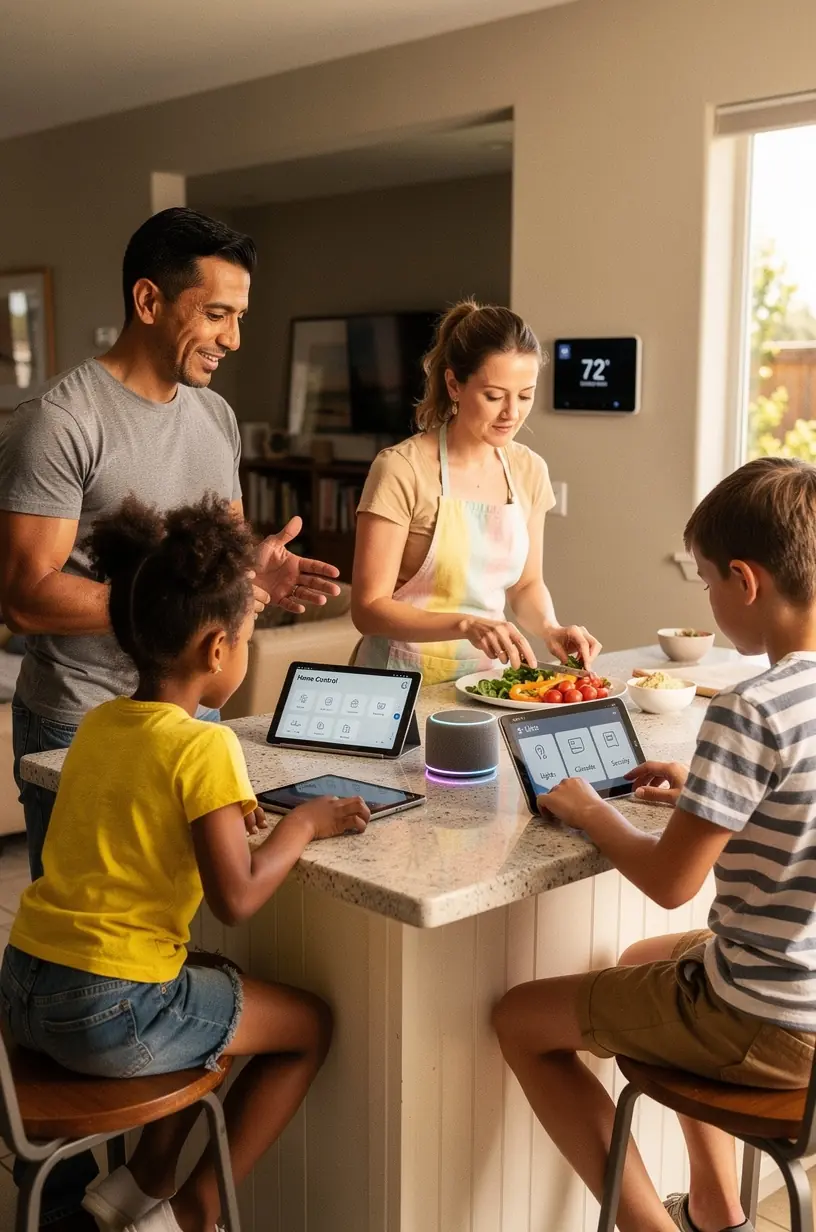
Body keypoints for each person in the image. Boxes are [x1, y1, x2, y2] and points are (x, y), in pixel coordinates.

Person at [0, 208, 339, 1231]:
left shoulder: (215, 419)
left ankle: (128, 1194)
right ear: (150, 300)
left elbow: (218, 561)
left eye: (241, 314)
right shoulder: (64, 419)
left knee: (156, 960)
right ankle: (70, 1196)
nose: (234, 336)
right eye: (218, 312)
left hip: (178, 725)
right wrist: (174, 602)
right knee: (104, 970)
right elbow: (25, 593)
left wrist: (254, 573)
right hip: (78, 729)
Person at [0, 494, 370, 1232]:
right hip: (107, 1013)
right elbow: (238, 898)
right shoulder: (206, 743)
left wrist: (223, 811)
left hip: (21, 992)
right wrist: (303, 823)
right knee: (309, 1024)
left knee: (210, 975)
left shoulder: (99, 724)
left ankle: (138, 1185)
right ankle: (197, 1211)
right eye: (247, 636)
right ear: (216, 650)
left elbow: (134, 820)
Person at [492, 456, 816, 1232]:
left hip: (766, 1019)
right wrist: (707, 793)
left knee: (518, 1020)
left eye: (705, 581)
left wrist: (592, 813)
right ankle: (715, 1208)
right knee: (644, 958)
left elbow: (672, 884)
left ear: (745, 581)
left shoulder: (752, 708)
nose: (706, 598)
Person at [351, 299, 601, 685]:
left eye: (525, 395)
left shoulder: (529, 470)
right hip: (395, 680)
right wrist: (466, 625)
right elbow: (368, 610)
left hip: (484, 681)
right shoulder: (402, 469)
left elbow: (526, 585)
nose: (511, 413)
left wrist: (550, 628)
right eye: (494, 396)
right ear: (454, 384)